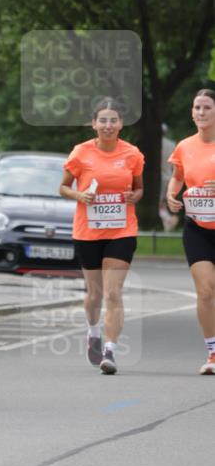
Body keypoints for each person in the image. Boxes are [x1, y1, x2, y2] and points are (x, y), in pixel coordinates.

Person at [59, 97, 144, 375]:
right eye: (103, 120)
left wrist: (134, 196)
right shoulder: (80, 153)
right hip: (88, 231)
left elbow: (139, 188)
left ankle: (110, 350)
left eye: (114, 120)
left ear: (121, 124)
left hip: (122, 229)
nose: (108, 125)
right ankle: (93, 332)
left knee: (113, 292)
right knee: (94, 294)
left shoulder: (132, 154)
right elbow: (63, 188)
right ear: (94, 124)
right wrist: (80, 194)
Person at [166, 88, 215, 375]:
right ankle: (213, 352)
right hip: (197, 227)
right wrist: (172, 196)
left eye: (206, 107)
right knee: (206, 291)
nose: (200, 112)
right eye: (196, 107)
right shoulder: (185, 146)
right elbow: (177, 177)